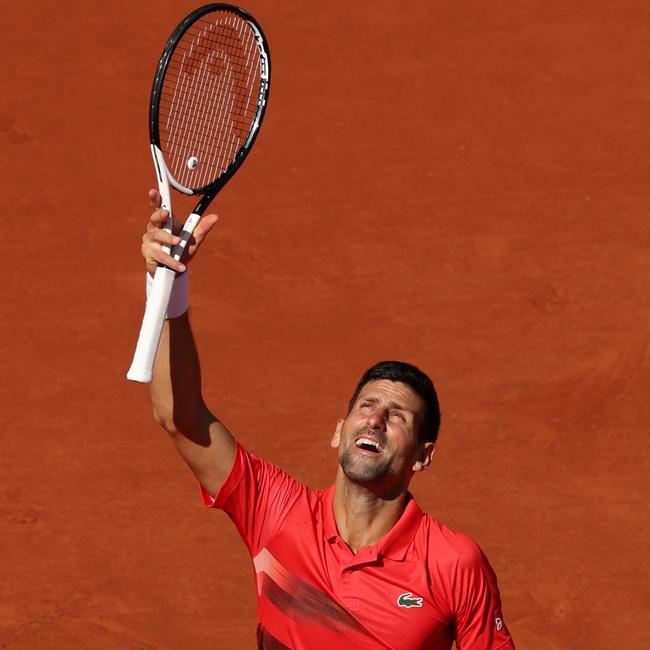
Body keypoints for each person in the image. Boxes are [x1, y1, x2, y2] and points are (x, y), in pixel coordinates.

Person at [139, 190, 516, 649]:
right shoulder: (277, 514)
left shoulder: (453, 564)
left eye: (396, 416)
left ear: (423, 455)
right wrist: (168, 289)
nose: (375, 419)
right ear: (339, 430)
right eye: (366, 406)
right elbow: (180, 418)